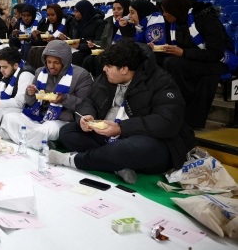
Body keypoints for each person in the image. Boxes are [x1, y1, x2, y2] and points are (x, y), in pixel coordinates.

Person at [55, 38, 196, 184]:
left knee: (130, 149)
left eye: (108, 66)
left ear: (124, 69)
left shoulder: (161, 80)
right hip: (110, 136)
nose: (104, 69)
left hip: (144, 139)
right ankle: (116, 165)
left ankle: (75, 160)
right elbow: (89, 100)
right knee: (68, 132)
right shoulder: (107, 77)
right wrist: (86, 116)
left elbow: (167, 121)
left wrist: (121, 129)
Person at [158, 0, 233, 128]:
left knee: (172, 63)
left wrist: (184, 52)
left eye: (166, 11)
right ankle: (168, 108)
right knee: (158, 59)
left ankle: (181, 110)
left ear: (176, 10)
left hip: (216, 62)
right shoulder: (175, 23)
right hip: (193, 60)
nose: (164, 14)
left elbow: (216, 53)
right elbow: (175, 46)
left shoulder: (207, 21)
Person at [0, 40, 92, 149]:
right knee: (9, 118)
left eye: (56, 63)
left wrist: (64, 99)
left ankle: (22, 140)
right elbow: (31, 103)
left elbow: (84, 104)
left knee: (45, 131)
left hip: (61, 120)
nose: (51, 66)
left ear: (65, 61)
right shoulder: (40, 72)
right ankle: (37, 143)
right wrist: (30, 94)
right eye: (48, 62)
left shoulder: (81, 75)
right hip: (38, 116)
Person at [82, 0, 132, 77]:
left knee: (98, 60)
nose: (115, 11)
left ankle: (103, 84)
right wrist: (94, 43)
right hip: (109, 50)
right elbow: (104, 41)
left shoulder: (131, 23)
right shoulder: (109, 22)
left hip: (122, 53)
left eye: (119, 9)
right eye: (114, 9)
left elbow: (129, 42)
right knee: (88, 60)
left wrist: (124, 27)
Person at [66, 0, 105, 67]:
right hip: (78, 50)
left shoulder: (99, 23)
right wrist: (66, 38)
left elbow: (97, 43)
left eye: (77, 11)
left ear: (84, 11)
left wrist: (80, 46)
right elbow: (74, 38)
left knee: (76, 57)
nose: (74, 14)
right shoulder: (76, 22)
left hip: (91, 52)